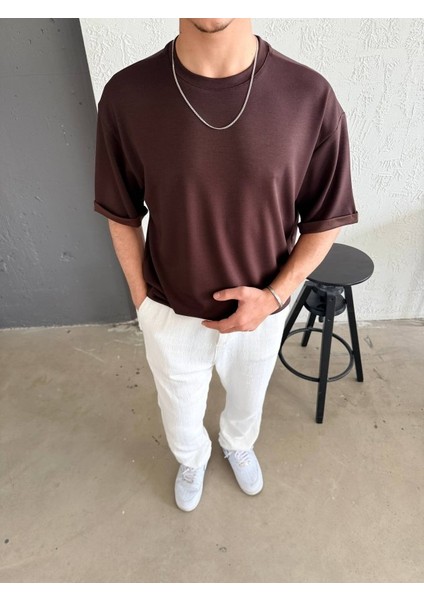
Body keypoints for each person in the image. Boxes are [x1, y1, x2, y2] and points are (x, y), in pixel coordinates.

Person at [94, 18, 358, 511]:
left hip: (263, 306)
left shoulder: (308, 96)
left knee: (248, 400)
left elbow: (327, 217)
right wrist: (141, 301)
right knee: (178, 407)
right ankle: (191, 457)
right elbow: (120, 212)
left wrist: (275, 297)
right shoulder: (128, 95)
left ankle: (238, 444)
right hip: (169, 306)